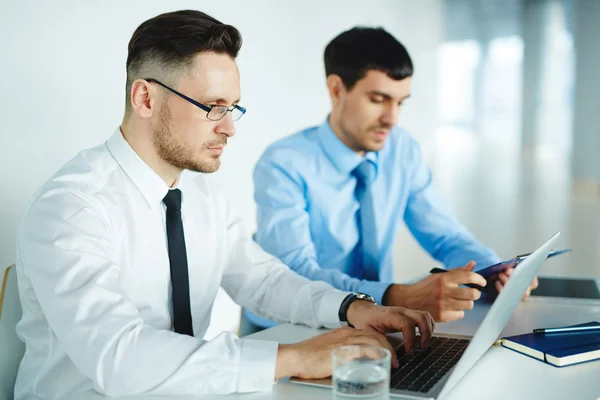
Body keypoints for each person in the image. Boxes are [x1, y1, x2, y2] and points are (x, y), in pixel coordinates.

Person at [14, 11, 434, 400]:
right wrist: (293, 357)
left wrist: (352, 308)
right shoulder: (71, 208)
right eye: (213, 107)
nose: (230, 128)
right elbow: (118, 356)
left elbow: (263, 280)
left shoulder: (199, 193)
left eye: (232, 107)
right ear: (145, 99)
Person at [245, 27, 538, 334]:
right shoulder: (282, 163)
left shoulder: (401, 149)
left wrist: (491, 271)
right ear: (336, 89)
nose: (392, 118)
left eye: (400, 102)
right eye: (378, 99)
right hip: (292, 327)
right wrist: (396, 295)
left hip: (375, 323)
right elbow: (297, 275)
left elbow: (445, 236)